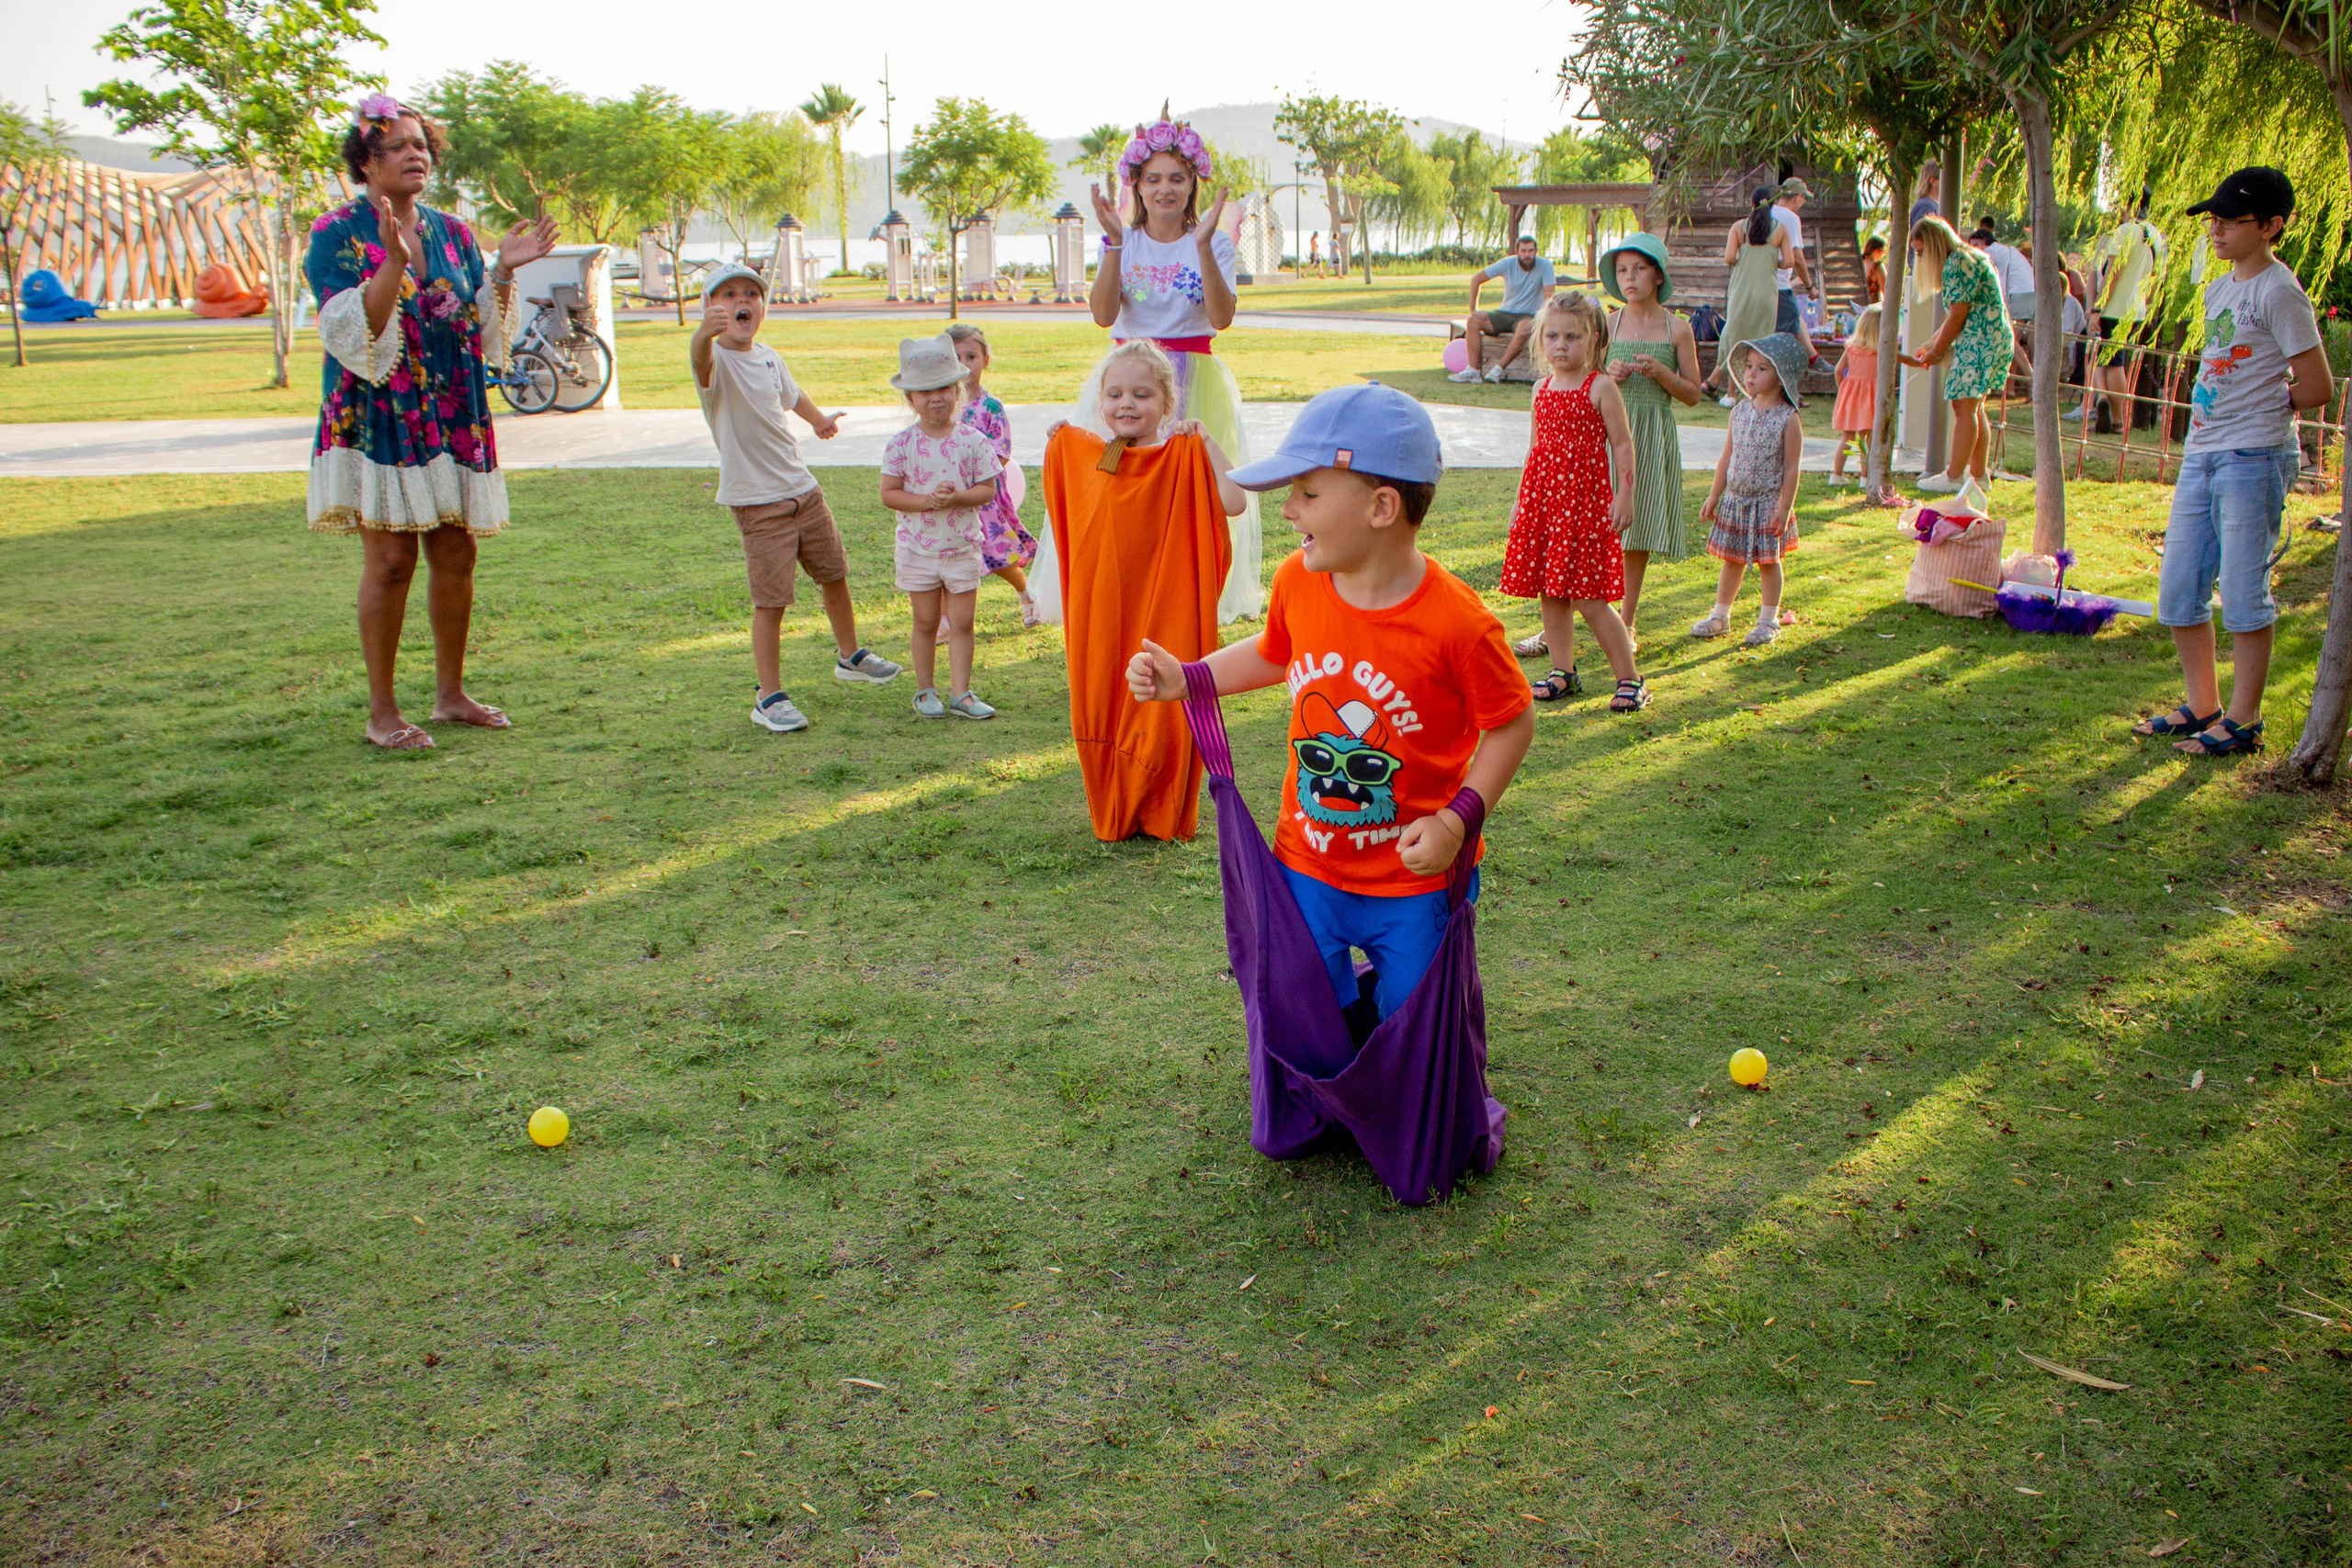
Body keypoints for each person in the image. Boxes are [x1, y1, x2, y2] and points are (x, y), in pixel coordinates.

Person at [1125, 382, 1535, 1025]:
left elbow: (1512, 721)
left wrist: (1458, 820)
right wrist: (1191, 678)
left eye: (1308, 493)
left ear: (1381, 506)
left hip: (1414, 876)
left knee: (1417, 1024)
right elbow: (1274, 651)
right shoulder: (1299, 579)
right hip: (1310, 861)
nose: (1289, 510)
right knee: (1311, 1009)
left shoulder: (1459, 624)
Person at [305, 94, 557, 751]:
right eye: (398, 146)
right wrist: (391, 258)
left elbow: (474, 319)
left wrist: (502, 267)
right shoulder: (335, 233)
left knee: (457, 550)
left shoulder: (451, 231)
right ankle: (382, 711)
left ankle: (451, 695)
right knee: (390, 560)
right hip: (379, 413)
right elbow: (358, 331)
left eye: (422, 145)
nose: (416, 154)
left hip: (447, 407)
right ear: (366, 160)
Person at [2135, 167, 2332, 759]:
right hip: (2203, 453)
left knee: (2245, 593)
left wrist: (2267, 409)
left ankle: (2245, 719)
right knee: (2178, 592)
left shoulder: (2280, 290)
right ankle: (2203, 705)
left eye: (2231, 219)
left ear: (2271, 226)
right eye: (2212, 219)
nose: (2216, 229)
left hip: (2254, 456)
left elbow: (2317, 384)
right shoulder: (2220, 289)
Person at [1045, 340, 1243, 840]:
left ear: (1167, 404)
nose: (1127, 404)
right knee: (1106, 691)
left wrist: (1205, 442)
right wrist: (1061, 443)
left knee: (1163, 694)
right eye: (1114, 395)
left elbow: (1235, 500)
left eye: (1141, 394)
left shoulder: (1181, 456)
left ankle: (1165, 809)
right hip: (1106, 608)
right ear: (1101, 403)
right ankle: (1112, 804)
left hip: (1165, 601)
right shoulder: (1091, 456)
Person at [692, 264, 901, 734]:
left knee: (834, 572)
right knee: (772, 600)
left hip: (802, 489)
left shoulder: (768, 356)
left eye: (751, 293)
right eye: (728, 294)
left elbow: (792, 394)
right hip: (757, 500)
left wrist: (818, 420)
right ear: (710, 308)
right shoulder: (714, 361)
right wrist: (703, 334)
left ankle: (850, 656)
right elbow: (699, 357)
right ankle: (768, 697)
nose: (742, 300)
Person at [1078, 112, 1261, 623]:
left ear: (1193, 184)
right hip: (1130, 379)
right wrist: (1114, 242)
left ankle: (1182, 588)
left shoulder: (1214, 242)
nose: (1165, 189)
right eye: (1153, 178)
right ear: (1135, 185)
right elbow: (1103, 315)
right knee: (1125, 486)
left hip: (1192, 375)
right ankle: (1126, 585)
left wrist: (1202, 244)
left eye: (1177, 178)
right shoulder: (1123, 240)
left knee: (1187, 493)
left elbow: (1222, 318)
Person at [1502, 293, 1648, 713]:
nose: (1560, 345)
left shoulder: (1600, 386)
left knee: (1590, 597)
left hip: (1584, 506)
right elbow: (1535, 450)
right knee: (1551, 591)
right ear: (1541, 340)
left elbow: (1622, 444)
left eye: (1571, 336)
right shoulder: (1540, 389)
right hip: (1545, 504)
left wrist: (1626, 492)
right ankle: (1562, 672)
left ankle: (1630, 679)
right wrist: (1520, 502)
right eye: (1552, 336)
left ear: (1593, 338)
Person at [878, 334, 1002, 720]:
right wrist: (927, 502)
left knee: (963, 622)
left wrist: (957, 497)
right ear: (910, 398)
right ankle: (924, 689)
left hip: (961, 547)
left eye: (944, 388)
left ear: (957, 389)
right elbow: (890, 493)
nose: (936, 398)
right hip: (918, 550)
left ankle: (961, 693)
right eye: (924, 391)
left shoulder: (973, 441)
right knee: (926, 622)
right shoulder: (901, 444)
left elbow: (988, 489)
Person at [1600, 233, 1700, 643]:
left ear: (1658, 275)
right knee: (1597, 525)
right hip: (1610, 434)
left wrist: (1662, 373)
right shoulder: (1608, 324)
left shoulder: (1677, 329)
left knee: (1634, 528)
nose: (1630, 277)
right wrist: (1610, 376)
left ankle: (1626, 620)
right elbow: (1585, 382)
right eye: (1622, 270)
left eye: (1639, 269)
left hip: (1652, 435)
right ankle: (1580, 613)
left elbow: (1693, 394)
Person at [1693, 334, 1805, 648]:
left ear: (1782, 376)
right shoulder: (1739, 411)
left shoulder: (1788, 419)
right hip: (1736, 501)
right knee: (1732, 560)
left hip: (1769, 503)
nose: (1751, 374)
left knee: (1770, 562)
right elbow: (1726, 457)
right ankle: (1720, 616)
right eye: (1749, 367)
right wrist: (1714, 495)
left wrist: (1784, 509)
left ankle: (1768, 619)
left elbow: (1792, 468)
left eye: (1762, 369)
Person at [1899, 215, 2012, 495]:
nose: (1921, 259)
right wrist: (1930, 344)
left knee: (1963, 408)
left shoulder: (1955, 264)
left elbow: (1959, 315)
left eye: (1922, 252)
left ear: (1936, 246)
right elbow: (1957, 315)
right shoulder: (1969, 257)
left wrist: (1936, 352)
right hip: (1992, 337)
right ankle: (1978, 476)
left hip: (1980, 340)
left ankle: (1954, 476)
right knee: (1974, 408)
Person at [944, 323, 1042, 629]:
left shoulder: (990, 407)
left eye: (971, 356)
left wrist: (975, 475)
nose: (964, 365)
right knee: (951, 554)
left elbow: (1001, 452)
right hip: (950, 496)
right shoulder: (943, 406)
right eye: (955, 358)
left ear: (985, 360)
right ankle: (948, 620)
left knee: (997, 555)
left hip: (984, 496)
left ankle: (1026, 594)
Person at [2079, 189, 2170, 432]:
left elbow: (2113, 273)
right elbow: (2155, 279)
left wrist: (2097, 306)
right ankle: (2106, 405)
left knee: (2113, 362)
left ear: (2127, 204)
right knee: (2111, 359)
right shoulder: (2155, 235)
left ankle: (2117, 417)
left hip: (2114, 307)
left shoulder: (2124, 231)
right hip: (2136, 308)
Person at [1708, 187, 1797, 404]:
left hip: (1742, 290)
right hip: (1767, 292)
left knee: (1734, 336)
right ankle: (1756, 392)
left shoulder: (1739, 227)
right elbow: (1789, 262)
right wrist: (1770, 260)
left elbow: (1729, 258)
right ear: (1772, 205)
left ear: (1751, 203)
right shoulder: (1781, 229)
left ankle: (1729, 392)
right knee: (1761, 342)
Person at [1453, 234, 1556, 385]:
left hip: (1529, 315)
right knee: (1473, 321)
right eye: (1524, 251)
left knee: (1525, 327)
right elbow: (1476, 279)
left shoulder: (1545, 265)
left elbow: (1549, 295)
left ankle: (1497, 370)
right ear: (1517, 251)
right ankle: (1473, 371)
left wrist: (1547, 318)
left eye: (1530, 251)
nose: (1527, 255)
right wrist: (1473, 309)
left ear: (1536, 251)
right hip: (1505, 312)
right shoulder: (1508, 263)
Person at [1770, 177, 1822, 365]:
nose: (1803, 203)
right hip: (1779, 284)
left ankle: (1814, 358)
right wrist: (1809, 286)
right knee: (1790, 332)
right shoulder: (1790, 218)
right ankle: (1812, 360)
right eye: (1804, 199)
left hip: (1759, 282)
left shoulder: (1765, 212)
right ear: (1798, 197)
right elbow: (1797, 258)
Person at [1828, 304, 1881, 487]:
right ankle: (1865, 479)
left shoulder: (1851, 348)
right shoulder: (1880, 352)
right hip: (1870, 399)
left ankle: (1836, 475)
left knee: (1847, 438)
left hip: (1850, 396)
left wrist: (1843, 388)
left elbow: (1838, 370)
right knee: (1866, 439)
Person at [1861, 235, 1887, 305]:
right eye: (1883, 252)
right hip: (1874, 308)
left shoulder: (1859, 263)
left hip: (1858, 306)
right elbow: (1886, 290)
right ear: (1878, 250)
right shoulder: (1877, 267)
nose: (1883, 255)